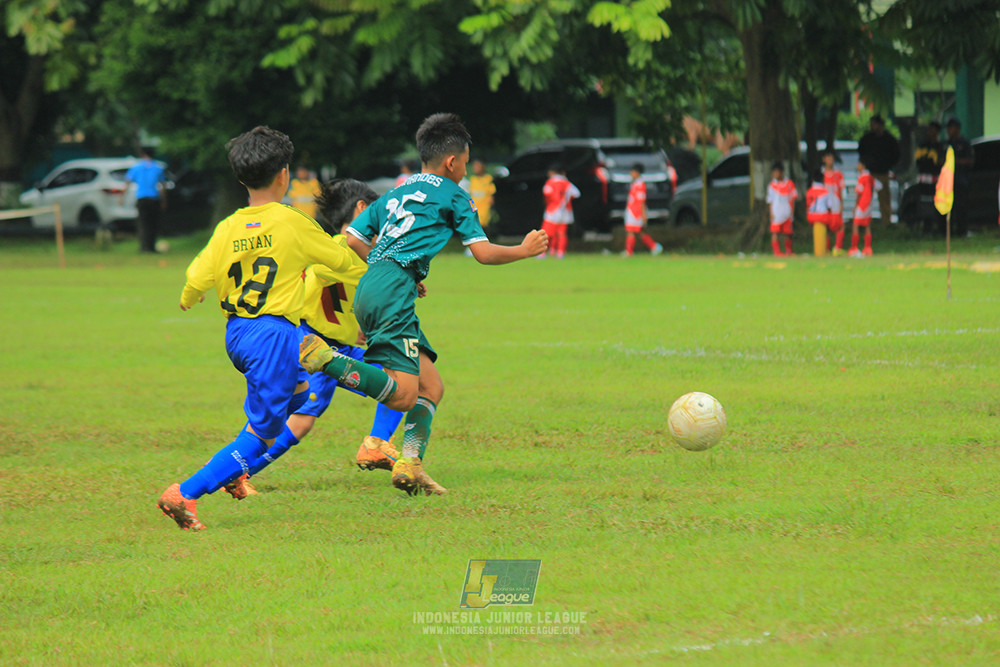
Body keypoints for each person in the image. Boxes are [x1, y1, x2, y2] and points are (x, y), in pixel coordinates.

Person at [299, 112, 548, 496]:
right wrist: (524, 249)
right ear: (452, 161)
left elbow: (352, 240)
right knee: (403, 395)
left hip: (372, 285)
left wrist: (398, 273)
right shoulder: (453, 195)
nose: (465, 169)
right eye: (465, 161)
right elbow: (482, 253)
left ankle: (411, 464)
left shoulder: (397, 190)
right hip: (392, 290)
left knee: (431, 386)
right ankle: (327, 359)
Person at [156, 126, 364, 531]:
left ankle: (231, 468)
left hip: (238, 334)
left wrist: (189, 295)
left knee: (300, 394)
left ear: (240, 179)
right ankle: (185, 493)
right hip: (275, 336)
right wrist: (387, 275)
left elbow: (198, 275)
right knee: (264, 433)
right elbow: (342, 263)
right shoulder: (292, 222)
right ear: (284, 174)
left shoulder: (228, 227)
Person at [223, 179, 407, 500]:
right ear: (362, 210)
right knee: (295, 421)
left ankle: (377, 443)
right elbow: (320, 281)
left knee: (398, 377)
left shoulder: (344, 248)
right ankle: (238, 471)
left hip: (340, 345)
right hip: (315, 347)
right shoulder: (343, 248)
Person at [123, 148, 168, 253]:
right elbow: (162, 186)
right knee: (153, 223)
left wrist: (122, 197)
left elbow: (127, 182)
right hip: (154, 198)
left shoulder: (137, 167)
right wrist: (164, 201)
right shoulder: (158, 168)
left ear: (143, 155)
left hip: (142, 198)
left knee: (143, 223)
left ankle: (143, 247)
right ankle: (151, 247)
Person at [857, 114, 899, 225]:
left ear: (880, 125)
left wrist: (888, 165)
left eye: (874, 124)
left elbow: (896, 154)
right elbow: (861, 152)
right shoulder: (867, 139)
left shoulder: (889, 139)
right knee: (865, 199)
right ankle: (863, 222)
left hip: (883, 173)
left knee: (884, 199)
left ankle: (886, 222)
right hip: (869, 173)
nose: (872, 126)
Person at [623, 163, 663, 257]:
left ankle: (629, 252)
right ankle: (654, 247)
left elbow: (641, 201)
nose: (631, 174)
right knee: (639, 232)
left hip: (636, 212)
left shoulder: (640, 185)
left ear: (637, 173)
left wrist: (643, 214)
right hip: (631, 210)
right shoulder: (635, 183)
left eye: (632, 172)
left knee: (631, 231)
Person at [541, 163, 579, 259]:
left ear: (552, 172)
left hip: (552, 211)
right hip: (565, 211)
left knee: (546, 233)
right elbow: (576, 193)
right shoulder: (566, 183)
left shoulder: (550, 182)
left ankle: (542, 253)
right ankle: (560, 253)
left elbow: (546, 192)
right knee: (562, 233)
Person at [913, 121, 945, 235]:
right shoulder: (923, 145)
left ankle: (939, 229)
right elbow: (918, 161)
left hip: (936, 182)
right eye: (929, 129)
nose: (930, 132)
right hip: (923, 182)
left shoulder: (940, 146)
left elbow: (940, 162)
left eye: (933, 130)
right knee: (924, 204)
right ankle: (926, 228)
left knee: (936, 204)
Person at [945, 118, 975, 237]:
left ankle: (962, 231)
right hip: (948, 182)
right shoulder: (948, 144)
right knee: (949, 208)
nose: (948, 131)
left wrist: (954, 161)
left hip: (961, 181)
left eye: (951, 128)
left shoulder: (965, 143)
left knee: (961, 207)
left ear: (957, 128)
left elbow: (970, 161)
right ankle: (949, 232)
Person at [850, 156, 880, 257]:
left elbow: (859, 192)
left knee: (855, 224)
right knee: (867, 225)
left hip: (862, 204)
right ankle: (868, 248)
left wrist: (855, 206)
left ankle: (854, 248)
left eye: (859, 164)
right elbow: (879, 186)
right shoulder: (870, 177)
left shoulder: (862, 177)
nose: (857, 166)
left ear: (863, 166)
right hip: (869, 204)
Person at [766, 162, 797, 256]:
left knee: (787, 233)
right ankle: (777, 251)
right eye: (774, 172)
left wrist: (792, 212)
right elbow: (770, 201)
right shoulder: (771, 186)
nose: (775, 174)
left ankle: (788, 250)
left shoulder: (789, 184)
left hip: (786, 211)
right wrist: (771, 213)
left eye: (777, 172)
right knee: (775, 232)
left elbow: (793, 198)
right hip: (776, 212)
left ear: (782, 172)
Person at [822, 150, 847, 255]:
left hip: (836, 204)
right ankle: (826, 248)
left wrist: (841, 205)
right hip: (824, 205)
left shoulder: (838, 174)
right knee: (826, 226)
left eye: (831, 158)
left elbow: (841, 190)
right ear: (823, 160)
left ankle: (837, 247)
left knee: (840, 225)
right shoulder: (821, 174)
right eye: (827, 158)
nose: (829, 160)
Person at [467, 159, 496, 231]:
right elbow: (470, 195)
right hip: (474, 209)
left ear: (483, 166)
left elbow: (491, 194)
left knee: (483, 228)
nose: (475, 168)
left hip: (484, 209)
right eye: (474, 166)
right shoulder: (472, 179)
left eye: (477, 166)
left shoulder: (488, 179)